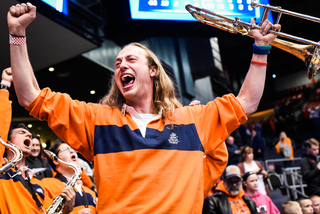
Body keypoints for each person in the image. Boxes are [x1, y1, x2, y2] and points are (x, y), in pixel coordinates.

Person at [7, 3, 281, 213]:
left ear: (152, 70)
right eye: (117, 63)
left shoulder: (191, 120)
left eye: (130, 59)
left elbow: (247, 102)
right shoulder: (97, 119)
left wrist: (260, 50)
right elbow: (29, 95)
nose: (121, 65)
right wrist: (17, 35)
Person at [0, 68, 75, 214]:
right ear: (7, 141)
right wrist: (4, 85)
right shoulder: (3, 169)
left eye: (29, 134)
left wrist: (67, 210)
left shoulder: (36, 182)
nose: (29, 136)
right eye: (22, 133)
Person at [41, 139, 97, 214]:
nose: (72, 151)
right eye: (65, 149)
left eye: (73, 149)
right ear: (55, 160)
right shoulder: (46, 184)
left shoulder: (90, 192)